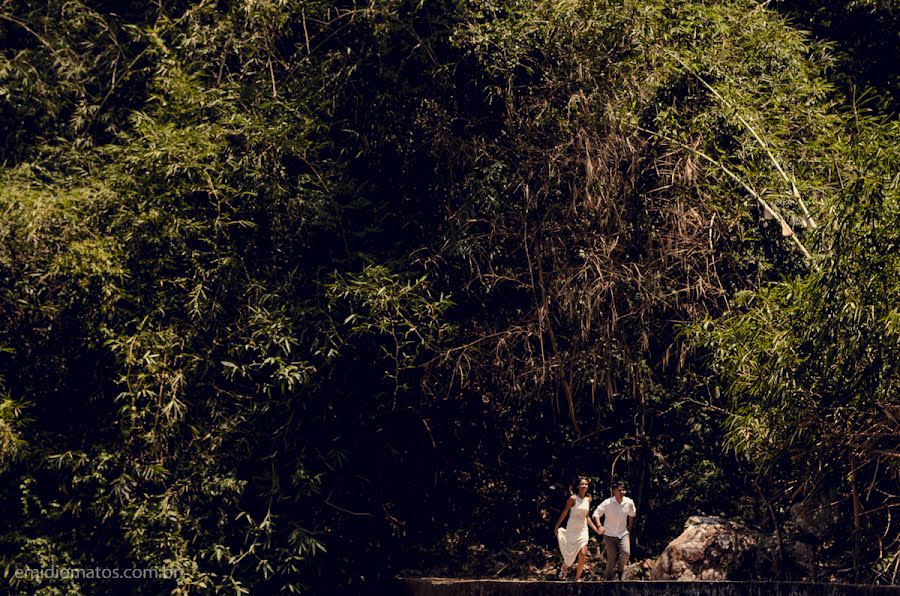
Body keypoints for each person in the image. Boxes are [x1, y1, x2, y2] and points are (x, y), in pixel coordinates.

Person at [553, 476, 600, 581]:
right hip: (572, 529)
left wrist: (595, 528)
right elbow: (565, 512)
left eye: (586, 484)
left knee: (583, 552)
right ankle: (564, 568)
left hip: (583, 529)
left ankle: (577, 578)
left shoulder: (588, 499)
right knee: (570, 556)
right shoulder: (572, 499)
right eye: (582, 484)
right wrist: (557, 525)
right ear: (578, 486)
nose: (584, 486)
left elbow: (587, 517)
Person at [592, 480, 636, 581]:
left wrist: (629, 527)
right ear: (614, 491)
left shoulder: (629, 502)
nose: (622, 492)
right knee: (611, 556)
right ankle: (608, 578)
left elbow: (632, 515)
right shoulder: (607, 503)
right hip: (609, 534)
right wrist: (599, 526)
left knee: (626, 553)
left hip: (623, 533)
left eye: (624, 490)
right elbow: (596, 513)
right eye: (620, 490)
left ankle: (620, 570)